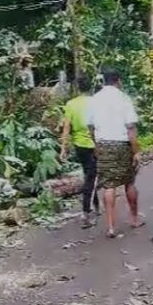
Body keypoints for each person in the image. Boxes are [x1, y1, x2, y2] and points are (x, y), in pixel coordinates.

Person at [85, 68, 143, 238]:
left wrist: (96, 144)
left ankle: (110, 226)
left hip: (103, 144)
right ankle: (134, 218)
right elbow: (131, 127)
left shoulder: (94, 99)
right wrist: (136, 151)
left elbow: (90, 126)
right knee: (129, 182)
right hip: (122, 144)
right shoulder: (124, 98)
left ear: (104, 81)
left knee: (109, 185)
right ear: (118, 80)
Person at [60, 74, 100, 228]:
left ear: (77, 88)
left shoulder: (70, 104)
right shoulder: (96, 102)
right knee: (92, 177)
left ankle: (95, 206)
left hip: (79, 145)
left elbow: (66, 127)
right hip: (94, 144)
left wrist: (64, 147)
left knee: (90, 175)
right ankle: (86, 212)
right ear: (90, 87)